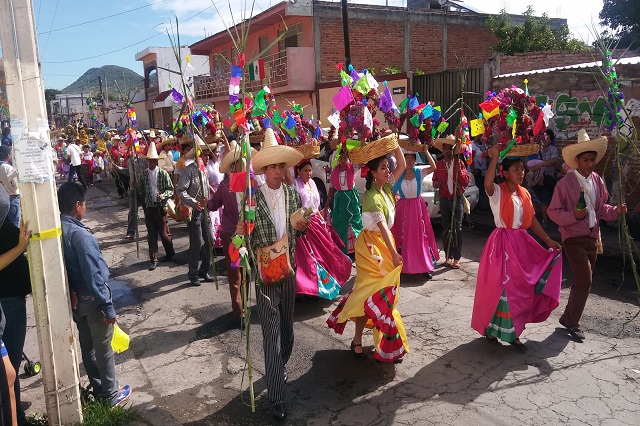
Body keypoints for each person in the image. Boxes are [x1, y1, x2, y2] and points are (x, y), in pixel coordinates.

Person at [237, 128, 306, 421]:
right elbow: (241, 241)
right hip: (264, 277)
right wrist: (239, 235)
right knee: (271, 336)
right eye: (272, 166)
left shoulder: (292, 194)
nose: (277, 171)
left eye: (281, 166)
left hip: (288, 272)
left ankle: (279, 367)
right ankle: (277, 396)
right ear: (264, 169)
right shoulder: (251, 200)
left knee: (287, 332)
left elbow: (298, 230)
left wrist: (303, 227)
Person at [471, 147, 562, 350]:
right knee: (503, 287)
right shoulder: (497, 192)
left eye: (522, 169)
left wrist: (548, 241)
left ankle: (508, 330)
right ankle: (502, 332)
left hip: (521, 245)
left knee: (519, 289)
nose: (521, 172)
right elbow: (487, 183)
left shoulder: (525, 194)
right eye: (516, 169)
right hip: (501, 245)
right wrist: (494, 158)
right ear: (504, 173)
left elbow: (531, 221)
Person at [327, 144, 408, 363]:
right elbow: (381, 226)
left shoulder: (386, 189)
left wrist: (395, 142)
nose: (388, 171)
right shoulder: (372, 196)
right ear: (373, 173)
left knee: (385, 296)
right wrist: (394, 253)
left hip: (385, 243)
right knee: (370, 293)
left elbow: (402, 165)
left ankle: (385, 341)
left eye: (387, 167)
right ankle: (357, 340)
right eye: (383, 168)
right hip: (372, 249)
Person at [548, 129, 627, 342]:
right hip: (572, 238)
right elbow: (552, 212)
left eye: (592, 160)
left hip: (593, 237)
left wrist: (616, 210)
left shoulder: (598, 181)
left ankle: (567, 317)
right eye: (586, 160)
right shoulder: (565, 184)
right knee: (585, 279)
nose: (590, 163)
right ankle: (572, 322)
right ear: (577, 160)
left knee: (581, 281)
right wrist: (573, 215)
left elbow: (601, 209)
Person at [58, 182, 131, 407]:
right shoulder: (81, 236)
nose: (85, 207)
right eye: (85, 204)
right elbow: (94, 276)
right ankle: (110, 396)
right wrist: (107, 306)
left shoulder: (60, 228)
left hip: (77, 299)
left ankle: (100, 389)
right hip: (91, 299)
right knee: (103, 349)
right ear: (78, 205)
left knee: (88, 347)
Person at [286, 160, 352, 300]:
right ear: (298, 171)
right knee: (307, 258)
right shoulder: (295, 184)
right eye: (305, 171)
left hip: (316, 223)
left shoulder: (313, 183)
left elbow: (316, 205)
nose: (309, 174)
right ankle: (308, 288)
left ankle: (325, 284)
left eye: (310, 170)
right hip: (302, 224)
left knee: (327, 253)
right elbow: (287, 175)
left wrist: (323, 221)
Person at [209, 137, 256, 318]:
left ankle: (244, 304)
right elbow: (214, 205)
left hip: (249, 233)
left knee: (246, 270)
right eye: (238, 163)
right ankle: (238, 310)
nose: (242, 166)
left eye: (244, 162)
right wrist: (205, 201)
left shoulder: (251, 184)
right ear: (232, 166)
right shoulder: (225, 185)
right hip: (231, 233)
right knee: (234, 272)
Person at [0, 188, 29, 426]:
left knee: (9, 367)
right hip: (7, 299)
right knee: (9, 367)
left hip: (10, 297)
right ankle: (15, 414)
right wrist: (19, 248)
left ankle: (14, 407)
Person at [391, 147, 439, 279]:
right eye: (407, 158)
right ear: (403, 159)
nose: (410, 161)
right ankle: (402, 266)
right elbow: (391, 191)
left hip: (417, 209)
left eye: (412, 158)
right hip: (403, 208)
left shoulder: (419, 172)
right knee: (403, 237)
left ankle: (424, 266)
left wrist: (425, 151)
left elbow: (433, 167)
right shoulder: (398, 175)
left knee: (420, 237)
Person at [177, 138, 215, 286]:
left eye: (207, 155)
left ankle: (204, 270)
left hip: (205, 210)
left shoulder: (204, 170)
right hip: (195, 212)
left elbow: (207, 188)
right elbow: (181, 191)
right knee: (197, 244)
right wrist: (194, 202)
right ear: (198, 155)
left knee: (210, 241)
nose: (207, 158)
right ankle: (192, 273)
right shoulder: (189, 170)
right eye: (204, 155)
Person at [432, 135, 469, 269]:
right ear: (443, 150)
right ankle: (448, 256)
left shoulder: (459, 163)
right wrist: (436, 183)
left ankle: (457, 258)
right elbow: (434, 182)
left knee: (457, 229)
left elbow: (465, 182)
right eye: (445, 148)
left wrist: (461, 172)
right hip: (444, 199)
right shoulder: (439, 164)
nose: (447, 151)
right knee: (446, 228)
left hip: (456, 199)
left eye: (450, 148)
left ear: (454, 150)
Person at [137, 142, 175, 271]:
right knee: (151, 235)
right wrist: (136, 187)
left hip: (160, 208)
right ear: (147, 161)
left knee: (164, 234)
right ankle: (153, 259)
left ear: (156, 161)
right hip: (149, 208)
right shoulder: (143, 174)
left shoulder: (163, 174)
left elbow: (171, 189)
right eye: (150, 161)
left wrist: (163, 196)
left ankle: (170, 252)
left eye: (154, 161)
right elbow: (140, 190)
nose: (152, 163)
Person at [327, 150, 363, 255]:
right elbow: (332, 186)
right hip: (339, 199)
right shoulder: (335, 170)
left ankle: (357, 248)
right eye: (341, 158)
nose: (343, 160)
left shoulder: (352, 167)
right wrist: (328, 200)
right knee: (339, 223)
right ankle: (341, 248)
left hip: (351, 198)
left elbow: (361, 162)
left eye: (345, 158)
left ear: (348, 158)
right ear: (338, 159)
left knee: (353, 222)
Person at [530, 129, 560, 228]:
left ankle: (544, 220)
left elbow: (554, 161)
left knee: (545, 200)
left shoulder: (553, 149)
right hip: (537, 179)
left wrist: (542, 163)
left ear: (551, 140)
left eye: (547, 138)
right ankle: (534, 220)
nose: (544, 140)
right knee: (534, 199)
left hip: (547, 179)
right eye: (543, 138)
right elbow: (532, 163)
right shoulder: (538, 149)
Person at [0, 147, 20, 228]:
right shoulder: (7, 167)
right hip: (12, 197)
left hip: (2, 198)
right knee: (15, 223)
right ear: (8, 155)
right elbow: (15, 185)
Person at [471, 137, 489, 210]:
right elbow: (470, 158)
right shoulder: (473, 145)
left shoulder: (484, 144)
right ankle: (477, 206)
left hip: (483, 170)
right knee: (478, 187)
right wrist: (473, 170)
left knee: (482, 188)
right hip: (476, 170)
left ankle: (482, 205)